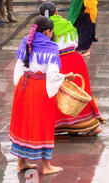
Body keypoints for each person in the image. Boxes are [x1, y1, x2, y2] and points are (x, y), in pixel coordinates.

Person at [9, 15, 75, 174]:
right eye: (52, 32)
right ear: (47, 31)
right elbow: (52, 75)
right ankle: (46, 166)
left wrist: (20, 85)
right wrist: (66, 77)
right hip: (40, 89)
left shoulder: (26, 42)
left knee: (23, 123)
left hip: (24, 87)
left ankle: (21, 162)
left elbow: (19, 67)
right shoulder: (51, 48)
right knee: (43, 124)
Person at [39, 2, 105, 136]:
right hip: (75, 61)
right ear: (56, 12)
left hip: (56, 63)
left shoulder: (42, 28)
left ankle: (56, 125)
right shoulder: (67, 24)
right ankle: (90, 125)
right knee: (79, 92)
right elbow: (76, 42)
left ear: (41, 15)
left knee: (55, 94)